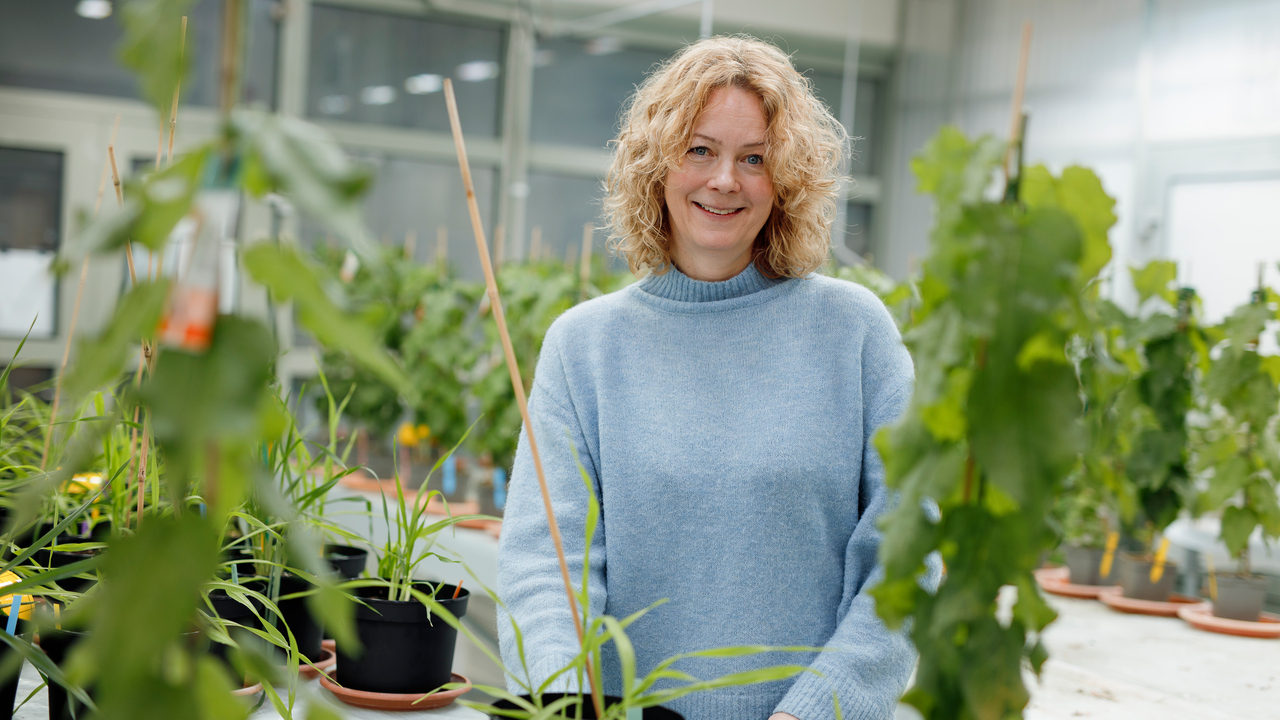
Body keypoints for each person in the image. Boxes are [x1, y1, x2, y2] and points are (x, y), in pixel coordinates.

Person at [497, 36, 923, 720]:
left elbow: (907, 557)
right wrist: (564, 701)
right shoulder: (585, 347)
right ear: (656, 166)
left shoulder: (856, 333)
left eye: (754, 158)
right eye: (700, 150)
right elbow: (545, 562)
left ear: (786, 180)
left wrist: (817, 710)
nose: (725, 179)